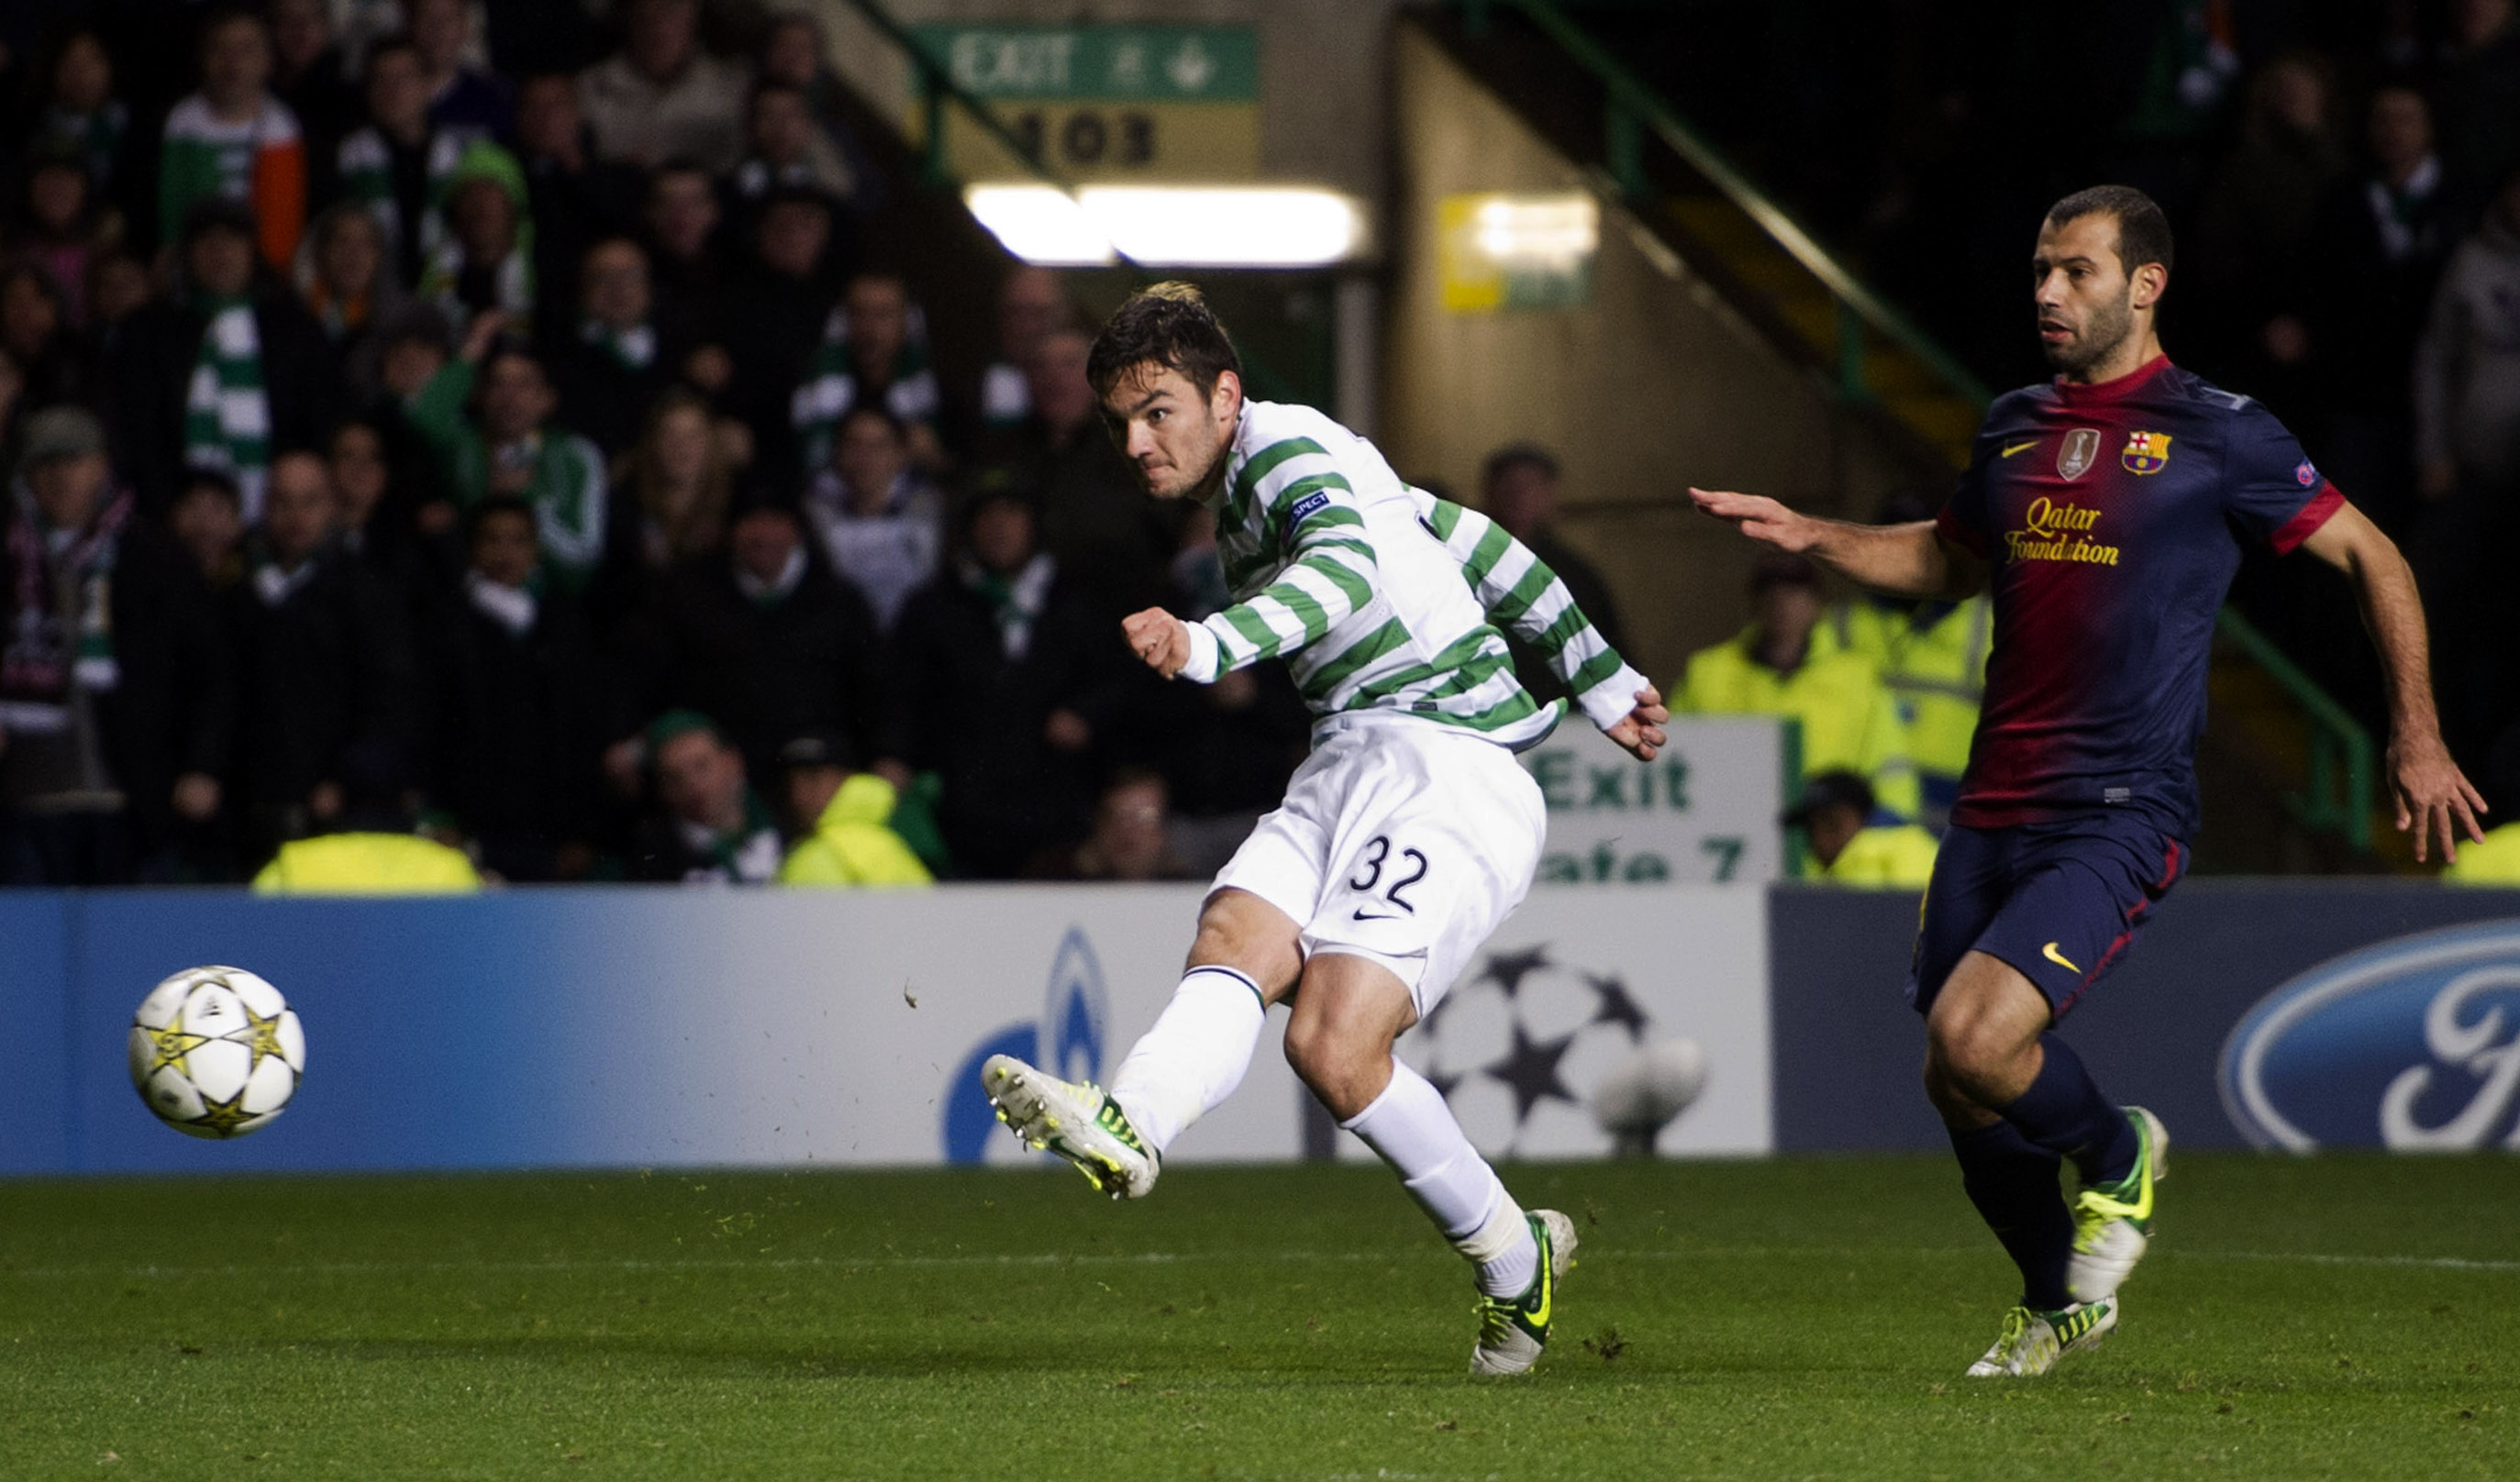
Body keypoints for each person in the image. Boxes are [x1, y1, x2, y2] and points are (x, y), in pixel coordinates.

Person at [1689, 185, 2484, 1378]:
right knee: (1955, 1082)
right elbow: (1949, 558)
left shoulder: (2218, 431)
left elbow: (2371, 553)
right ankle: (2053, 1300)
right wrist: (1820, 535)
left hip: (2116, 807)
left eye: (2073, 271)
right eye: (2037, 270)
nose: (2045, 292)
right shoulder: (2010, 424)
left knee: (1974, 1034)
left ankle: (2117, 1156)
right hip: (1990, 806)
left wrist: (2414, 735)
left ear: (2142, 285)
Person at [980, 284, 1666, 1376]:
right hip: (1352, 753)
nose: (1136, 441)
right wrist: (1601, 677)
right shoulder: (1288, 471)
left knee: (1331, 1044)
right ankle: (1133, 1126)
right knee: (1232, 935)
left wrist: (1208, 645)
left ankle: (1509, 1254)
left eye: (1157, 411)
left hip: (1450, 762)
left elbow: (1342, 575)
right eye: (1120, 422)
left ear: (1225, 394)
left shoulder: (1286, 452)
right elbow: (1475, 543)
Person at [0, 409, 231, 884]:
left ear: (102, 467)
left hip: (132, 800)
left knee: (137, 951)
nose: (61, 477)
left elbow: (210, 670)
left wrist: (202, 765)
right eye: (46, 465)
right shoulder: (8, 558)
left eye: (74, 462)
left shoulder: (154, 555)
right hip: (23, 803)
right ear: (25, 476)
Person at [225, 448, 416, 862]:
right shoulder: (241, 595)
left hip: (350, 818)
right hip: (259, 817)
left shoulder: (367, 593)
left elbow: (389, 703)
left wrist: (345, 781)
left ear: (332, 505)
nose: (296, 516)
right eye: (283, 502)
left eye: (309, 501)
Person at [105, 198, 339, 518]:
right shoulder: (148, 333)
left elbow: (318, 421)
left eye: (232, 239)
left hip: (281, 519)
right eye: (206, 241)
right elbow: (140, 435)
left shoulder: (295, 329)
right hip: (172, 520)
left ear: (252, 251)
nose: (220, 251)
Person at [422, 496, 602, 881]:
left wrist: (581, 832)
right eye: (493, 540)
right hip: (471, 829)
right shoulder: (447, 627)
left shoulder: (564, 624)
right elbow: (432, 727)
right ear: (473, 549)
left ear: (534, 549)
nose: (505, 553)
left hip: (548, 834)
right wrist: (440, 815)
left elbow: (582, 731)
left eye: (518, 541)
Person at [1673, 551, 1923, 821]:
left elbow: (1890, 765)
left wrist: (1888, 823)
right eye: (1768, 589)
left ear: (1817, 604)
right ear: (1753, 602)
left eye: (1794, 590)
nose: (1780, 601)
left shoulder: (1857, 678)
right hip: (1734, 834)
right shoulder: (1708, 673)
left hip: (1829, 843)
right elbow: (1672, 757)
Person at [1812, 493, 1994, 827]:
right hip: (1864, 809)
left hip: (1959, 806)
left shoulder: (1985, 623)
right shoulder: (1842, 623)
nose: (1907, 554)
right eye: (1895, 540)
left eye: (1919, 542)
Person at [403, 338, 608, 591]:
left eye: (523, 385)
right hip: (465, 595)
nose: (509, 397)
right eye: (498, 384)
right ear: (481, 396)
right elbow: (424, 420)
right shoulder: (464, 444)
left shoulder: (574, 456)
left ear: (547, 399)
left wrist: (526, 498)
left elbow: (583, 562)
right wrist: (470, 354)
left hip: (547, 605)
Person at [158, 7, 308, 271]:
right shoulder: (182, 121)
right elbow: (173, 210)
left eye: (246, 50)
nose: (232, 62)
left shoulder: (282, 126)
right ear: (202, 58)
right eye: (220, 49)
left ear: (268, 60)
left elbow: (282, 222)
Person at [1479, 444, 1630, 704]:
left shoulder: (1575, 577)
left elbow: (1602, 654)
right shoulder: (1460, 562)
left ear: (1550, 494)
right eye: (1508, 484)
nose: (1517, 495)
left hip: (1558, 719)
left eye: (1529, 486)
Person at [335, 35, 472, 291]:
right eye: (381, 80)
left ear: (426, 86)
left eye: (404, 78)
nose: (393, 91)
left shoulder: (457, 156)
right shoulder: (350, 156)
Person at [802, 404, 943, 633]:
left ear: (901, 455)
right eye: (854, 445)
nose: (865, 458)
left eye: (878, 446)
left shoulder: (929, 508)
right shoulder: (813, 511)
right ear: (838, 452)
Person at [792, 272, 943, 471]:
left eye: (883, 314)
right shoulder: (809, 389)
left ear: (906, 321)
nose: (870, 328)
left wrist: (933, 457)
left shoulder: (938, 395)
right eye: (859, 313)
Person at [577, 0, 750, 172]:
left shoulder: (734, 86)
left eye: (669, 11)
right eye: (645, 15)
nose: (658, 26)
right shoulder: (588, 88)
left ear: (694, 17)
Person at [548, 238, 683, 458]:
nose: (619, 289)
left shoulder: (678, 348)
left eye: (630, 276)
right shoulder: (561, 357)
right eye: (604, 278)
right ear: (583, 288)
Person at [629, 709, 784, 883]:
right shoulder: (652, 860)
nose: (692, 784)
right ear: (661, 789)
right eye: (674, 777)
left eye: (701, 766)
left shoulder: (789, 825)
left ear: (733, 761)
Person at [773, 730, 931, 888]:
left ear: (847, 777)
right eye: (791, 782)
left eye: (813, 777)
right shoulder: (894, 849)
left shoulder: (812, 857)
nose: (799, 794)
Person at [1027, 767, 1196, 881]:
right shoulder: (1054, 880)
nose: (1128, 830)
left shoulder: (1199, 891)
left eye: (1144, 818)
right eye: (1119, 817)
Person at [1786, 769, 1939, 887]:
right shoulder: (1815, 877)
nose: (1821, 840)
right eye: (1811, 830)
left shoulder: (1908, 847)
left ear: (1860, 816)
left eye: (1832, 825)